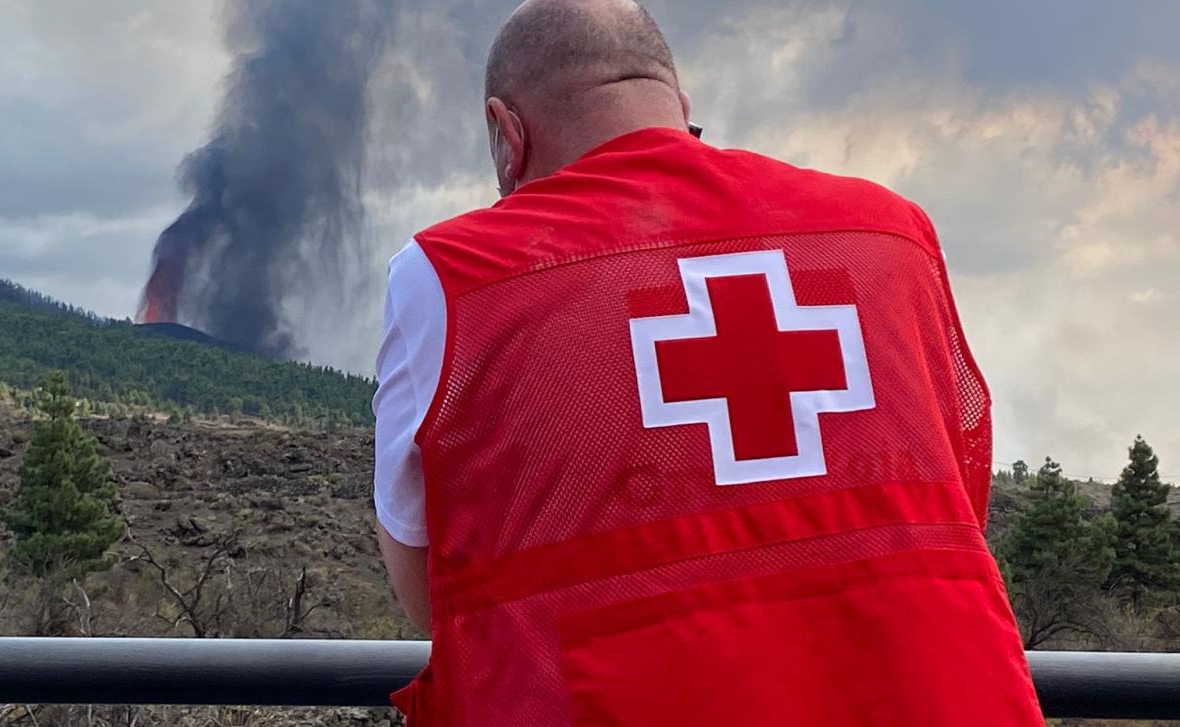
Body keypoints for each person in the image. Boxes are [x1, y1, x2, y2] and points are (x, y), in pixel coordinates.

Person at [371, 0, 1045, 724]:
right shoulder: (894, 234)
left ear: (508, 134)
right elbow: (956, 488)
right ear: (678, 107)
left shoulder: (447, 276)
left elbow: (434, 587)